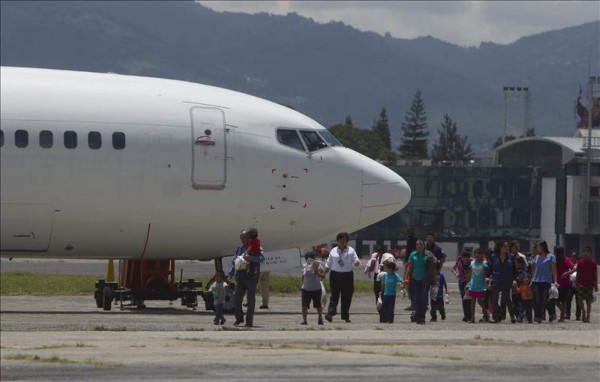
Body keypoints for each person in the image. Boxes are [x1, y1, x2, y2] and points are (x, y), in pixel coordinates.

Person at [323, 232, 361, 323]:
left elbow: (356, 260)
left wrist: (356, 263)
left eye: (344, 240)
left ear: (347, 241)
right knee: (334, 295)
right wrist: (323, 274)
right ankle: (330, 313)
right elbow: (328, 264)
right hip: (335, 275)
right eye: (340, 240)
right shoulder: (333, 251)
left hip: (347, 275)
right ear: (338, 241)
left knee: (347, 296)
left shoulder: (351, 250)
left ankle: (345, 315)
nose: (342, 242)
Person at [233, 229, 262, 327]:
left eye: (245, 238)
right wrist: (230, 273)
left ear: (249, 238)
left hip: (251, 277)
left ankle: (249, 321)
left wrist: (250, 258)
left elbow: (261, 259)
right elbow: (235, 262)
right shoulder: (239, 248)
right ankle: (239, 318)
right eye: (242, 238)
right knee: (236, 298)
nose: (243, 240)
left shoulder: (256, 247)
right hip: (240, 276)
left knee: (250, 300)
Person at [563, 246, 598, 323]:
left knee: (588, 301)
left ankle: (588, 316)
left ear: (590, 253)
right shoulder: (580, 262)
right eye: (584, 251)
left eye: (587, 251)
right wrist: (568, 274)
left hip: (589, 284)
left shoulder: (593, 263)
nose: (585, 253)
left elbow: (595, 274)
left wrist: (595, 286)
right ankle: (583, 311)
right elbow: (576, 271)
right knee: (580, 300)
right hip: (580, 284)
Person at [405, 239, 435, 324]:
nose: (419, 245)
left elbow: (433, 267)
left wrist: (432, 278)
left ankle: (422, 316)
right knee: (416, 299)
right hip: (415, 280)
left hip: (425, 280)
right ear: (416, 246)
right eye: (418, 244)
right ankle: (418, 316)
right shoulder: (413, 255)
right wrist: (406, 277)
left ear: (423, 245)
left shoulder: (428, 254)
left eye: (421, 244)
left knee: (424, 299)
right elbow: (410, 267)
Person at [489, 240, 516, 323]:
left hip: (507, 280)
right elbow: (491, 269)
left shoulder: (511, 257)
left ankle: (512, 316)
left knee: (507, 298)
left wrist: (514, 280)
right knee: (494, 299)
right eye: (505, 246)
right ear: (500, 247)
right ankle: (495, 317)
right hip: (496, 280)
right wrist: (488, 279)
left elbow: (514, 269)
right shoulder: (494, 256)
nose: (507, 248)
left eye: (508, 246)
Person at [531, 241, 557, 323]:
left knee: (545, 299)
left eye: (538, 247)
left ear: (542, 247)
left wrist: (555, 281)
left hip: (546, 281)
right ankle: (538, 316)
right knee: (537, 300)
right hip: (536, 281)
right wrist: (531, 280)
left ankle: (552, 313)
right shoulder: (536, 257)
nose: (537, 248)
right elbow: (534, 270)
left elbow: (553, 270)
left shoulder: (551, 257)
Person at [300, 250, 326, 325]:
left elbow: (323, 276)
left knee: (318, 305)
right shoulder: (304, 266)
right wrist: (302, 284)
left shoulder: (319, 266)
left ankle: (320, 318)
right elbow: (303, 276)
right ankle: (304, 320)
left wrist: (316, 272)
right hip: (306, 289)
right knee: (304, 305)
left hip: (316, 289)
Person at [465, 247, 489, 323]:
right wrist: (467, 283)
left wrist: (486, 284)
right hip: (472, 285)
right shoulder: (472, 263)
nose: (477, 255)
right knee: (472, 302)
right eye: (476, 253)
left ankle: (486, 314)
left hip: (480, 286)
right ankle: (472, 318)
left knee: (480, 301)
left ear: (482, 255)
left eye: (479, 253)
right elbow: (469, 274)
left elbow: (486, 275)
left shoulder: (485, 264)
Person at [452, 250, 472, 322]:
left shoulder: (471, 262)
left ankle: (469, 315)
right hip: (461, 282)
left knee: (469, 299)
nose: (465, 260)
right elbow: (453, 268)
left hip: (469, 282)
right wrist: (456, 273)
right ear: (462, 257)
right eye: (464, 258)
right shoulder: (459, 260)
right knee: (463, 299)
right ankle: (466, 315)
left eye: (467, 258)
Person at [554, 246, 573, 322]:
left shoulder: (566, 259)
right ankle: (563, 311)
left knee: (563, 300)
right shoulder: (554, 259)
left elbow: (573, 267)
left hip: (565, 283)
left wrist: (568, 273)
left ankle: (562, 316)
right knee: (554, 299)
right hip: (556, 282)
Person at [403, 226, 417, 311]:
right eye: (407, 231)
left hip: (412, 262)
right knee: (407, 283)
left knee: (410, 282)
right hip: (407, 261)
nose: (408, 232)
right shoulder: (408, 239)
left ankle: (415, 303)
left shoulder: (415, 239)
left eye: (409, 231)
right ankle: (413, 303)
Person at [565, 250, 580, 320]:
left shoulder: (579, 264)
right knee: (568, 299)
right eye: (572, 256)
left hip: (578, 285)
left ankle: (578, 315)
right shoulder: (569, 264)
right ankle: (567, 314)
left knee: (578, 300)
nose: (572, 257)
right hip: (570, 285)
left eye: (574, 256)